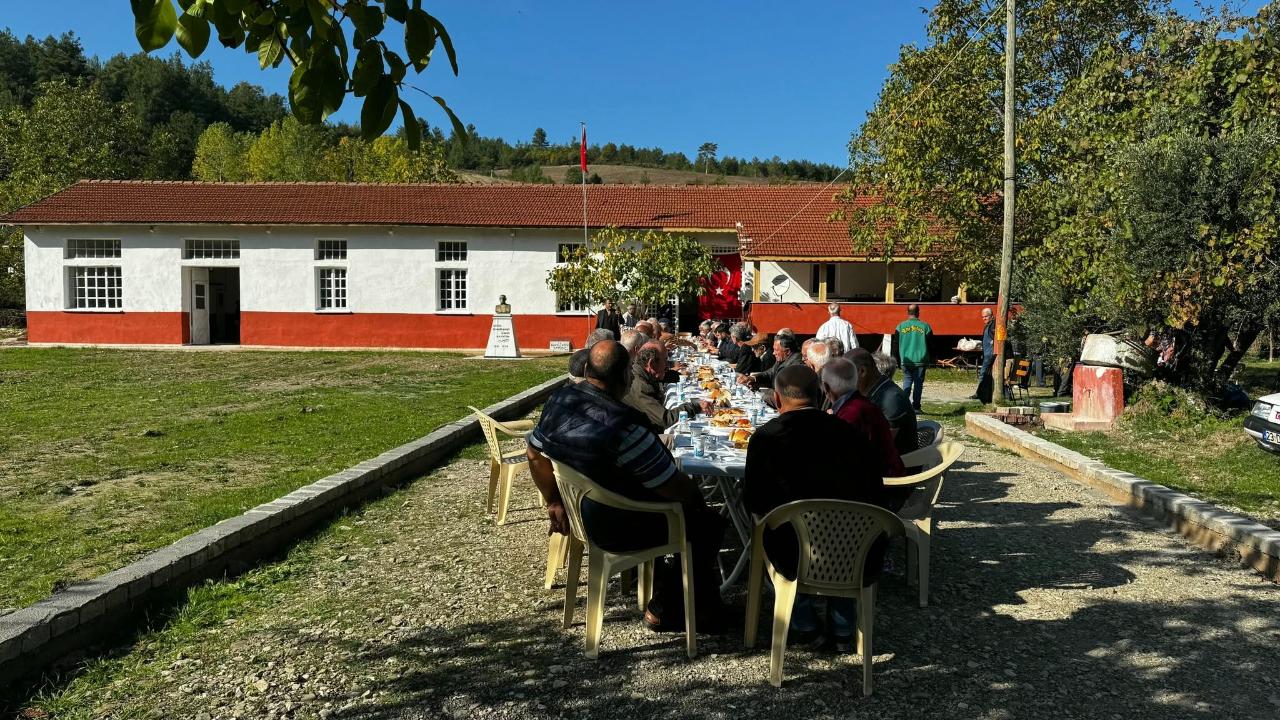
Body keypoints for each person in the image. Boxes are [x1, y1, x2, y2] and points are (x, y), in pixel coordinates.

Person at [525, 341, 729, 632]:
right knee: (707, 522)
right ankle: (666, 607)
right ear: (624, 377)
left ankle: (703, 604)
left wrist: (554, 500)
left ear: (586, 370)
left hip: (580, 513)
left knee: (695, 518)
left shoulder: (560, 400)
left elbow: (533, 453)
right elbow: (674, 485)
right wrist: (696, 498)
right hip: (618, 525)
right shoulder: (626, 427)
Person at [743, 364, 886, 651]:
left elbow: (754, 501)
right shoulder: (851, 434)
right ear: (821, 394)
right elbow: (875, 491)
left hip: (795, 552)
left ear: (777, 398)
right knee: (844, 528)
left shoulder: (766, 438)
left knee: (773, 527)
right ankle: (843, 629)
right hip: (857, 547)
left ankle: (805, 623)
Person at [822, 357, 905, 483]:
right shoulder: (863, 404)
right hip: (883, 479)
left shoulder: (851, 414)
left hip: (880, 489)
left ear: (826, 388)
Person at [624, 340, 712, 434]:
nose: (667, 365)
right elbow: (665, 419)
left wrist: (682, 375)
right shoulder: (640, 386)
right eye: (665, 360)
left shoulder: (641, 372)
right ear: (652, 363)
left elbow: (665, 375)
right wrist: (695, 406)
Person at [848, 349, 918, 462]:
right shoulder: (875, 390)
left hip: (896, 472)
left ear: (862, 371)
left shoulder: (891, 400)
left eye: (847, 375)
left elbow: (879, 448)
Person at [895, 304, 932, 412]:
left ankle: (904, 407)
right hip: (920, 360)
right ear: (918, 312)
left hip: (906, 360)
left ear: (907, 312)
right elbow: (931, 344)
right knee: (918, 385)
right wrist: (932, 357)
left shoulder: (900, 326)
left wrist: (897, 360)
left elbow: (895, 344)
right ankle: (916, 407)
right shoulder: (925, 326)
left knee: (906, 383)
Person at [972, 307, 996, 403]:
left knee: (983, 374)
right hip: (986, 354)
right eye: (983, 317)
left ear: (991, 316)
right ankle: (983, 393)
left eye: (986, 316)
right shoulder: (988, 325)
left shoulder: (993, 325)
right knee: (985, 375)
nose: (984, 318)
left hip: (990, 354)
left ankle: (980, 393)